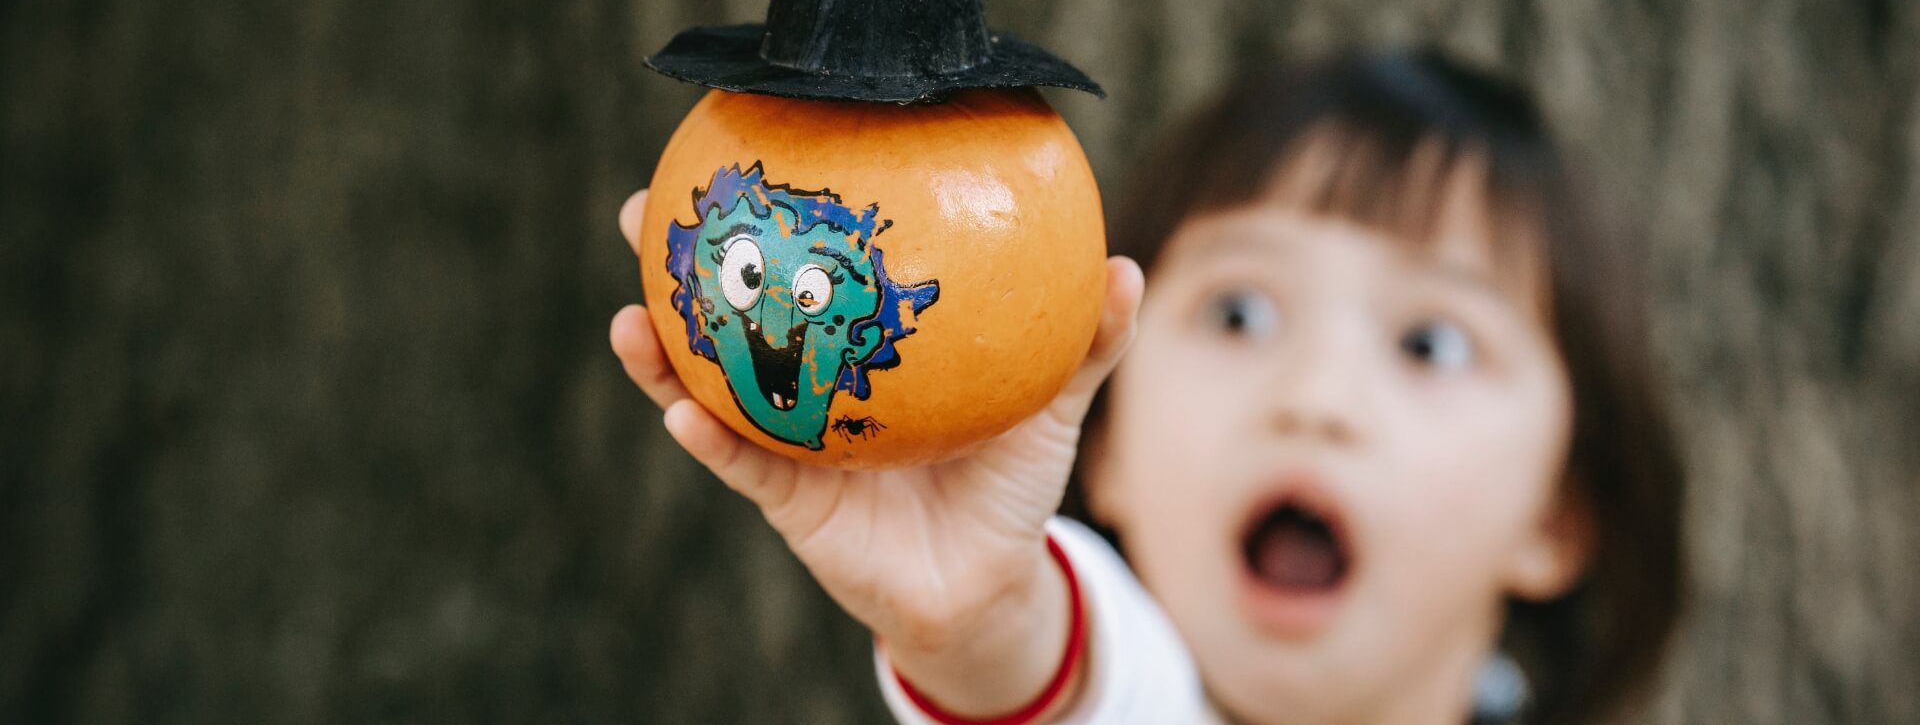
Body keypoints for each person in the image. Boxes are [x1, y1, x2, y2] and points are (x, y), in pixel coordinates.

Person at [610, 48, 1685, 725]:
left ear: (1556, 514)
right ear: (1108, 446)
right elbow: (1082, 681)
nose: (1313, 396)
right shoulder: (1115, 692)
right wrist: (977, 630)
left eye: (1431, 346)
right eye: (1239, 314)